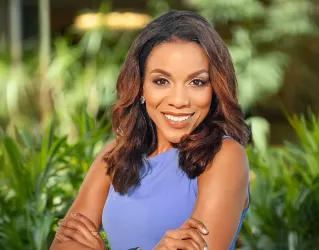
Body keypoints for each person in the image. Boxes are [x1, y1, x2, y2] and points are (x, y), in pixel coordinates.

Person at [50, 10, 251, 250]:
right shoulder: (115, 155)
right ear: (141, 87)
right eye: (161, 81)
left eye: (197, 82)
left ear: (214, 89)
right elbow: (65, 244)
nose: (179, 100)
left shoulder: (224, 156)